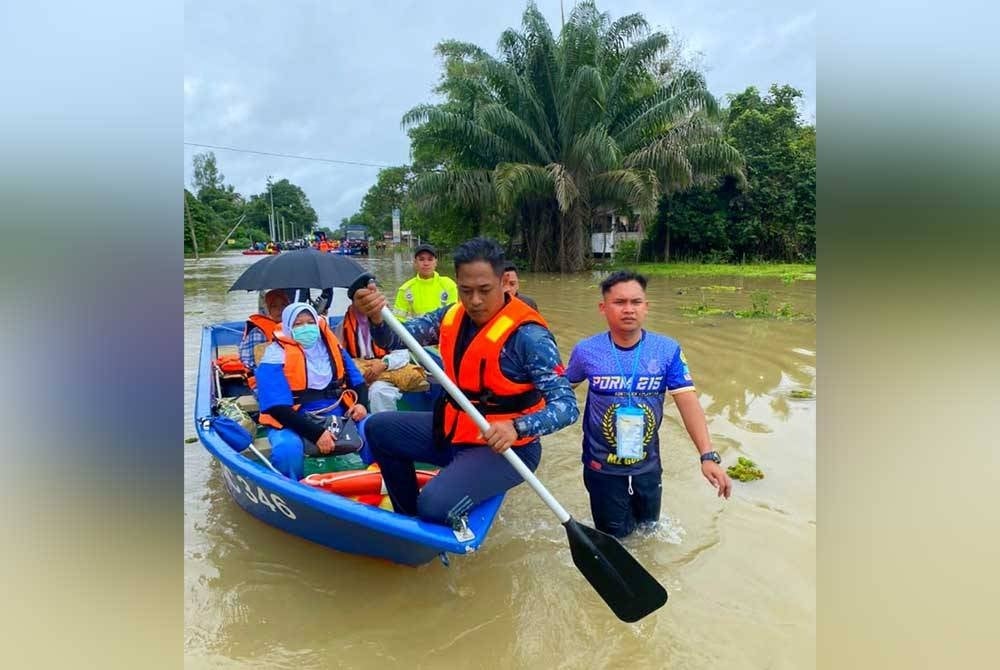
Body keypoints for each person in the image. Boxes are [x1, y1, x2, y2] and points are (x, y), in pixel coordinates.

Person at [351, 237, 579, 525]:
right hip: (454, 430)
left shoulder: (529, 337)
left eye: (484, 290)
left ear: (504, 283)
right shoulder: (451, 315)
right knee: (378, 428)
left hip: (505, 448)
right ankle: (408, 521)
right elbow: (394, 338)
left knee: (434, 505)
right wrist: (376, 317)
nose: (475, 301)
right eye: (466, 290)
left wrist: (517, 427)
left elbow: (567, 406)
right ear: (456, 283)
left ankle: (436, 510)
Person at [565, 270, 732, 539]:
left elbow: (687, 402)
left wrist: (707, 456)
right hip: (601, 467)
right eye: (619, 302)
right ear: (603, 308)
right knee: (615, 539)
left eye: (636, 302)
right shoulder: (586, 351)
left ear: (646, 307)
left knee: (649, 532)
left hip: (648, 466)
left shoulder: (667, 349)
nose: (628, 309)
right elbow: (560, 392)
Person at [255, 302, 369, 479]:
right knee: (287, 449)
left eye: (310, 322)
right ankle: (292, 490)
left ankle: (380, 480)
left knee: (373, 428)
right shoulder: (274, 357)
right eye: (298, 324)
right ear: (287, 327)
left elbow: (358, 381)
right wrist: (317, 434)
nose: (305, 328)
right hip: (293, 418)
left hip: (338, 411)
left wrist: (361, 404)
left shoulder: (332, 348)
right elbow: (277, 408)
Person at [338, 303, 428, 412]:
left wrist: (384, 364)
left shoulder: (390, 323)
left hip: (386, 372)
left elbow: (402, 355)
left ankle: (383, 424)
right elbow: (339, 355)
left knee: (379, 391)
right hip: (357, 375)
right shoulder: (344, 326)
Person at [238, 288, 291, 385]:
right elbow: (250, 363)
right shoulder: (258, 332)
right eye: (274, 306)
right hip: (267, 381)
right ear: (268, 310)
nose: (280, 309)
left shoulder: (294, 327)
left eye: (283, 305)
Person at [393, 243, 458, 320]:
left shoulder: (449, 285)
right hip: (417, 331)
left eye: (430, 259)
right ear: (415, 262)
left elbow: (453, 316)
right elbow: (398, 320)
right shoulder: (406, 290)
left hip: (444, 330)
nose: (426, 263)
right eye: (421, 259)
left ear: (436, 262)